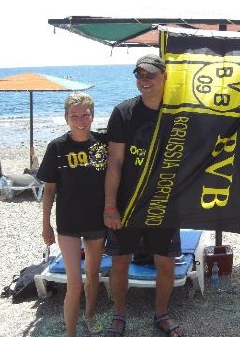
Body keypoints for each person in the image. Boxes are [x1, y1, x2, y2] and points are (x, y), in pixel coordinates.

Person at [103, 54, 184, 337]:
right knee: (120, 260)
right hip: (127, 203)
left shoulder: (178, 114)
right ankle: (118, 316)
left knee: (165, 262)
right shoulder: (123, 112)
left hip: (164, 203)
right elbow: (114, 162)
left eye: (150, 75)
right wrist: (110, 206)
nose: (144, 80)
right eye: (139, 75)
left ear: (164, 77)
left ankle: (161, 314)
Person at [37, 92, 108, 337]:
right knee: (74, 283)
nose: (80, 120)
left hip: (97, 221)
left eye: (85, 115)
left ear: (93, 115)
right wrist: (46, 226)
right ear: (66, 118)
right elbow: (48, 191)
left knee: (93, 275)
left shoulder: (104, 143)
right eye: (74, 115)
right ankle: (70, 333)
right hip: (67, 223)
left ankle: (89, 314)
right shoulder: (57, 147)